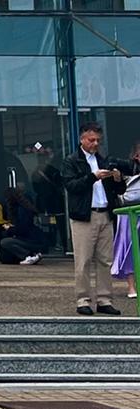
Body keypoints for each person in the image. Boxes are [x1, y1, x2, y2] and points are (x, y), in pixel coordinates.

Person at [55, 122, 126, 315]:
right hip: (84, 217)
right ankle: (83, 300)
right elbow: (72, 186)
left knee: (105, 260)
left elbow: (118, 191)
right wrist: (92, 177)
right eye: (91, 140)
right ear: (82, 139)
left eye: (97, 140)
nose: (95, 143)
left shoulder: (103, 160)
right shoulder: (71, 161)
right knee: (83, 260)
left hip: (105, 213)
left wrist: (117, 179)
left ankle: (104, 299)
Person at [0, 185, 50, 266]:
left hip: (33, 240)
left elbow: (23, 228)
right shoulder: (25, 208)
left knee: (5, 242)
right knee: (6, 242)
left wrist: (10, 229)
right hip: (33, 239)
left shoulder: (22, 210)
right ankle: (29, 255)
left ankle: (28, 255)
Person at [113, 141, 140, 300]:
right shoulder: (125, 169)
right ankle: (131, 285)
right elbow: (118, 193)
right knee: (128, 248)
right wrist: (117, 179)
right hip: (128, 212)